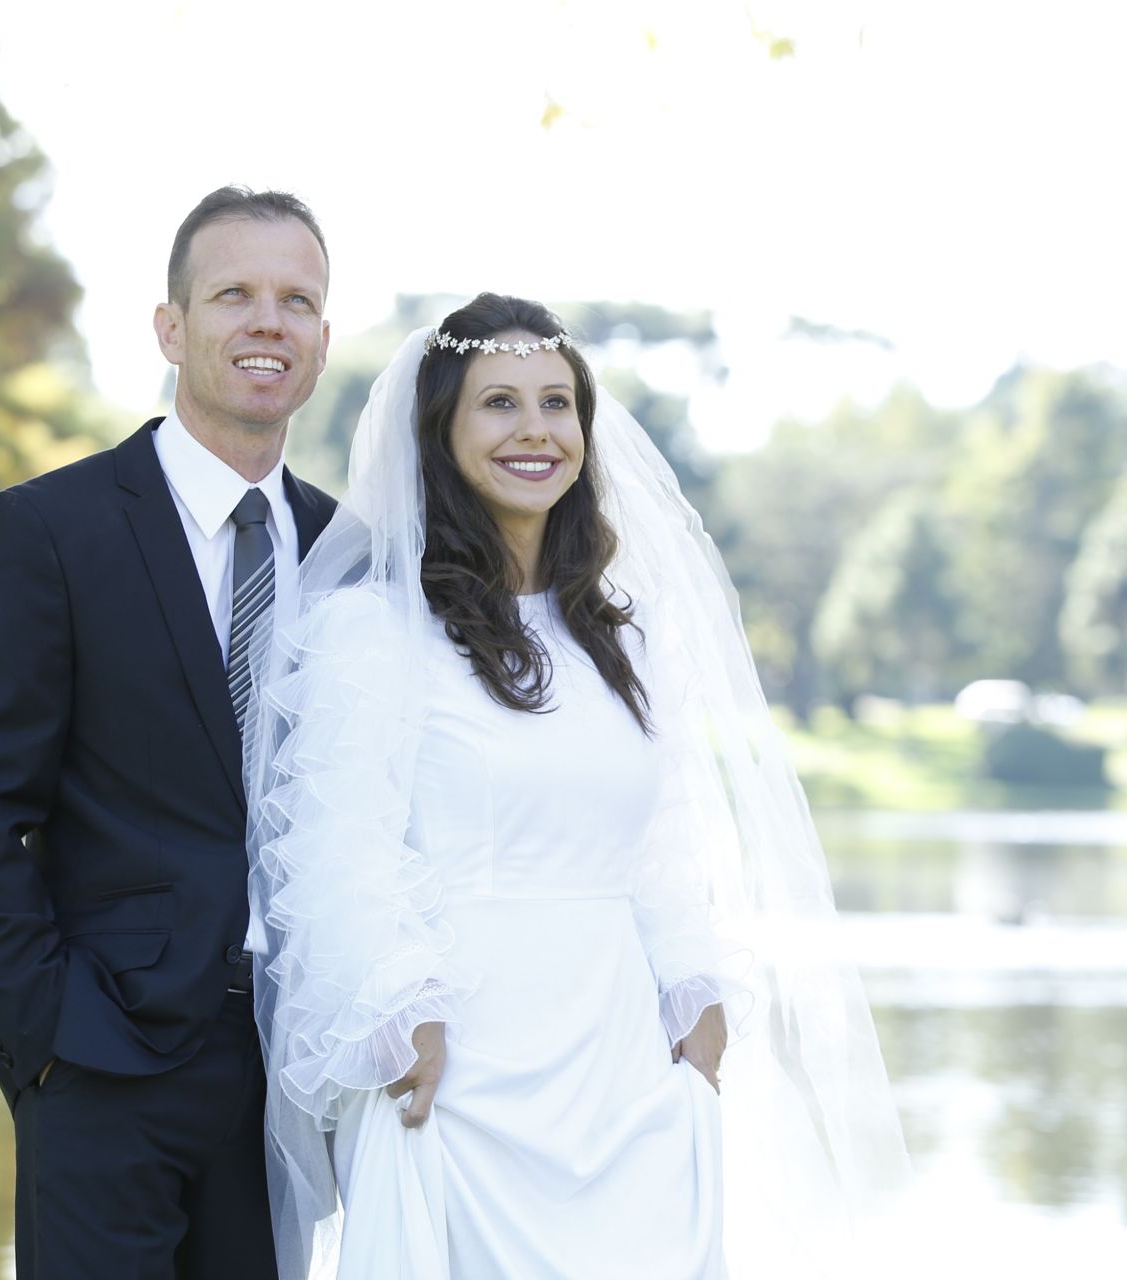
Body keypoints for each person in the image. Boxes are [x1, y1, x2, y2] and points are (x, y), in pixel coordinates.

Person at [246, 294, 911, 1279]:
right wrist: (397, 1010)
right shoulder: (374, 632)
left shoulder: (620, 640)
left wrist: (693, 988)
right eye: (499, 403)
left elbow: (661, 833)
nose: (536, 430)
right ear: (441, 431)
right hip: (454, 1070)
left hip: (626, 1075)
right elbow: (341, 849)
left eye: (557, 403)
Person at [0, 185, 338, 1280]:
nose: (268, 321)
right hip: (103, 1059)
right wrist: (50, 1029)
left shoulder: (349, 556)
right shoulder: (48, 530)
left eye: (296, 300)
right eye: (233, 294)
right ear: (171, 327)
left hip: (291, 1079)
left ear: (323, 340)